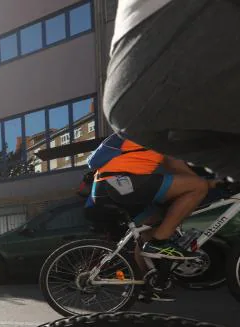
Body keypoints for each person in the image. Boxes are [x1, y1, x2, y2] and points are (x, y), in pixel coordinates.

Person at [103, 2, 239, 212]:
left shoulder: (123, 149)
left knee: (154, 217)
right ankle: (162, 242)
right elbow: (174, 165)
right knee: (198, 187)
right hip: (170, 46)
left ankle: (153, 242)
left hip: (123, 89)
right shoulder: (137, 154)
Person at [88, 133, 213, 260]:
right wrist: (204, 184)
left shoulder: (139, 131)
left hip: (103, 187)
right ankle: (159, 243)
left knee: (150, 230)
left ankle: (144, 277)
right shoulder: (156, 132)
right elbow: (174, 165)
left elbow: (174, 165)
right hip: (121, 183)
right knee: (199, 186)